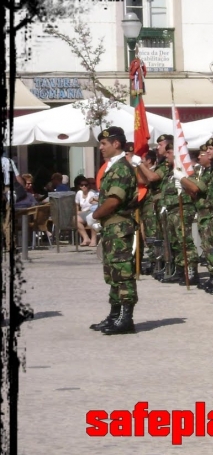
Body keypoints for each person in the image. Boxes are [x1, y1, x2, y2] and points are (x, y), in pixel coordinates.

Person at [88, 126, 139, 335]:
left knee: (123, 272)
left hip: (119, 227)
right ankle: (115, 315)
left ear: (116, 144)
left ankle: (126, 319)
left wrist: (94, 215)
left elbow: (114, 200)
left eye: (104, 143)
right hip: (111, 228)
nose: (101, 147)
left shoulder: (121, 168)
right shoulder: (112, 167)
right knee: (113, 273)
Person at [76, 178, 99, 246]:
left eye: (86, 185)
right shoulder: (79, 193)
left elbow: (94, 204)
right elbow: (76, 204)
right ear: (79, 186)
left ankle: (93, 240)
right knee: (75, 219)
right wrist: (77, 211)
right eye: (82, 185)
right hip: (83, 213)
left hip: (90, 211)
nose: (84, 186)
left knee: (92, 218)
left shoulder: (92, 193)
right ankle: (86, 238)